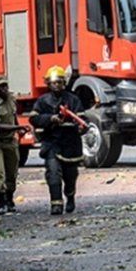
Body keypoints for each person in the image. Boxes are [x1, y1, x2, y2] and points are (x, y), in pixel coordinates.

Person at [29, 66, 86, 215]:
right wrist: (50, 119)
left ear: (64, 83)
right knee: (53, 173)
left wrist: (82, 127)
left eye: (59, 82)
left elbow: (83, 119)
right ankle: (56, 204)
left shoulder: (73, 100)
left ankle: (70, 196)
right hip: (52, 143)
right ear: (48, 83)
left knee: (70, 175)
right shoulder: (42, 101)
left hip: (70, 143)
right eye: (53, 82)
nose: (56, 85)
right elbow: (33, 118)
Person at [0, 76, 21, 216]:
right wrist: (17, 127)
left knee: (12, 172)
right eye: (1, 87)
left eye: (5, 86)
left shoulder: (11, 99)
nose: (4, 89)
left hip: (11, 141)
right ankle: (1, 203)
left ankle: (10, 200)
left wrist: (18, 129)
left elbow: (14, 115)